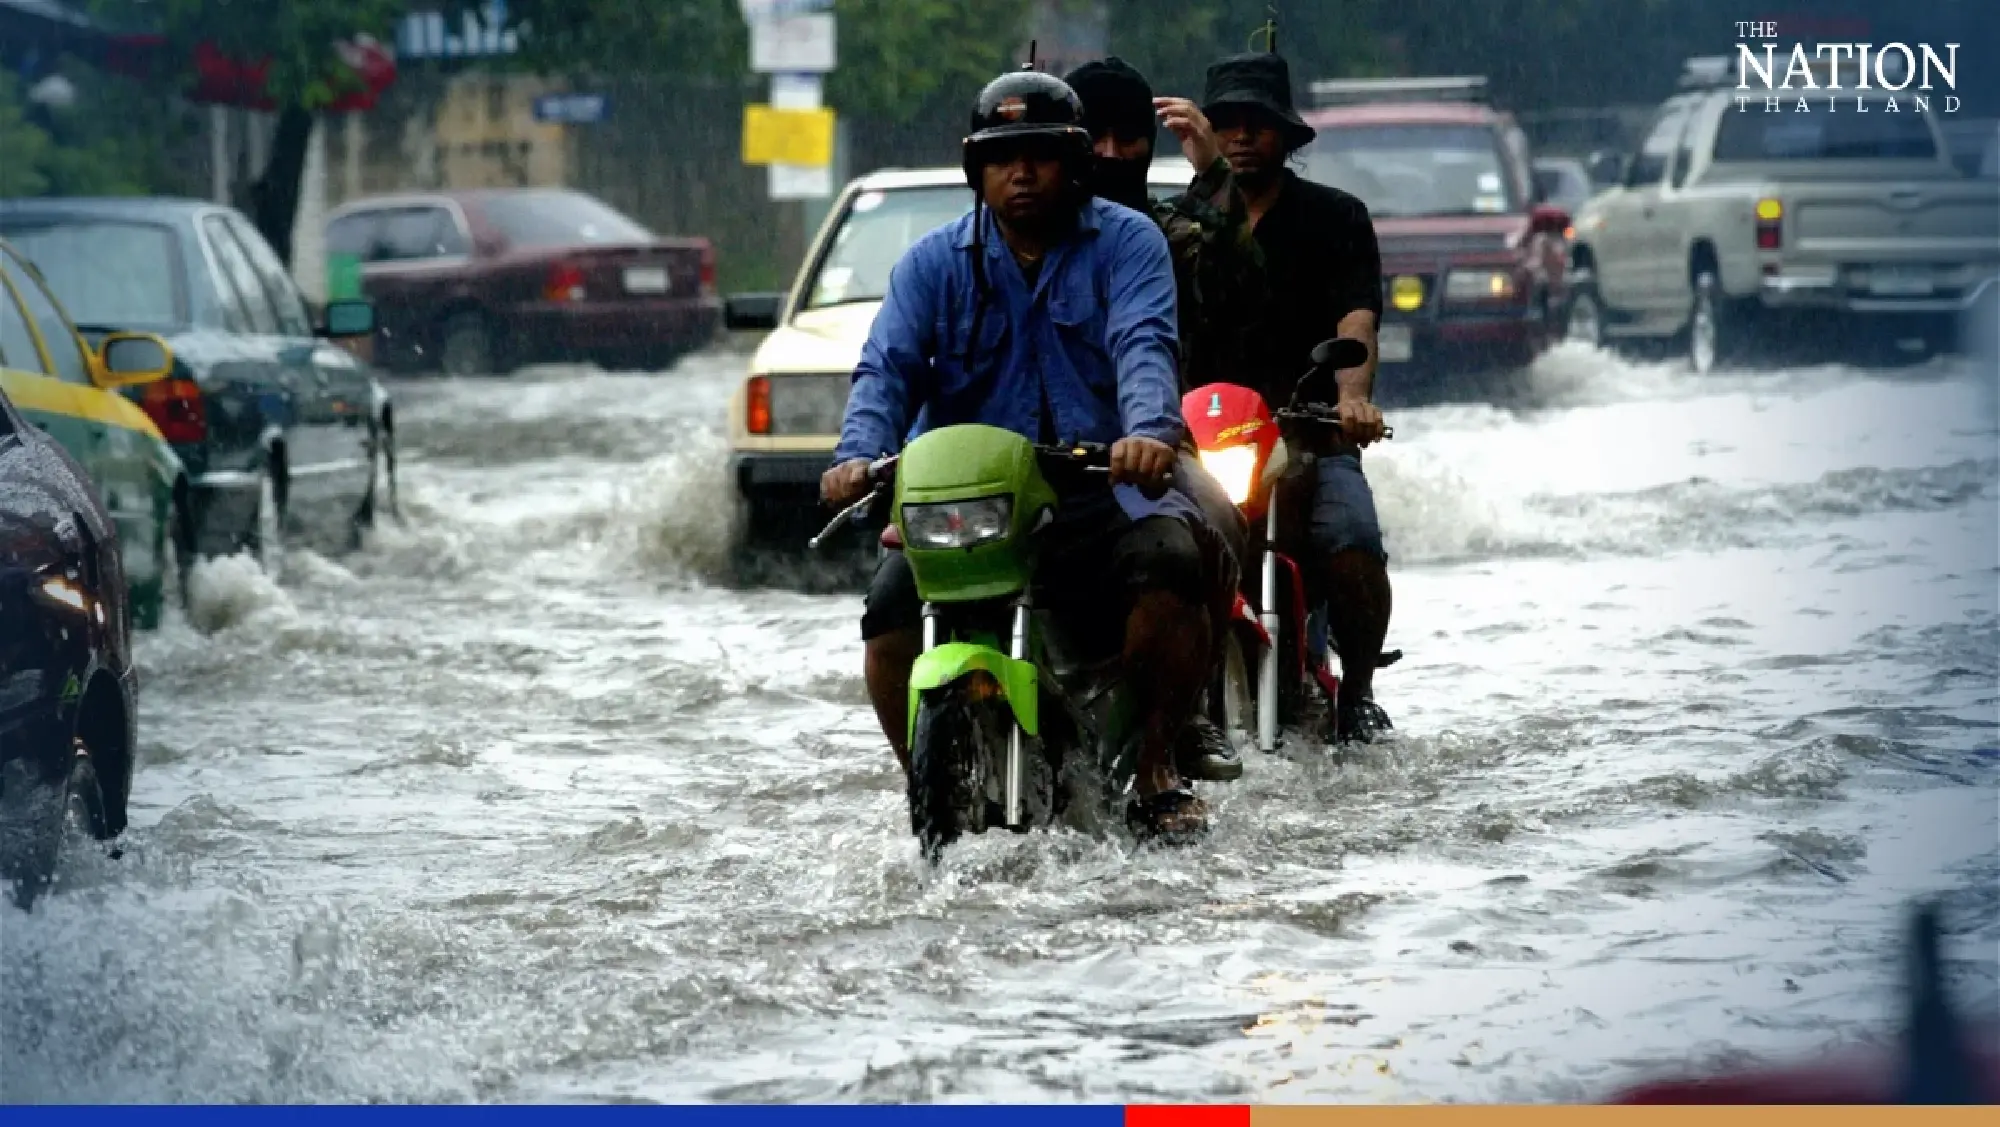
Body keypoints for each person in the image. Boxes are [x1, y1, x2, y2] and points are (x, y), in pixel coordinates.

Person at [822, 68, 1233, 839]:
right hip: (969, 500)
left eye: (1041, 155)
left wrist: (1148, 432)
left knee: (1175, 563)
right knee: (887, 614)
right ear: (975, 170)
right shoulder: (930, 264)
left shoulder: (1129, 243)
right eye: (1002, 158)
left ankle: (1156, 768)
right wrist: (858, 455)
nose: (1021, 172)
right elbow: (887, 368)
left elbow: (1145, 342)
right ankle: (927, 783)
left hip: (1101, 488)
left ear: (1074, 163)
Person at [1063, 55, 1265, 783]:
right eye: (1096, 139)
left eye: (1130, 139)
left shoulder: (1161, 235)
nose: (1113, 155)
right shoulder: (997, 238)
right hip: (1033, 447)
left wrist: (1213, 171)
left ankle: (1183, 717)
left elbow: (1242, 283)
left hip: (1150, 442)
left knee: (1215, 523)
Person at [1200, 50, 1395, 743]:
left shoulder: (1337, 218)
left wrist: (1352, 401)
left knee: (1352, 542)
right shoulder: (1182, 223)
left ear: (1286, 133)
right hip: (1203, 441)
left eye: (1257, 122)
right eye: (1227, 122)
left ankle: (1359, 691)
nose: (1242, 136)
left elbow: (1356, 320)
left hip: (1309, 433)